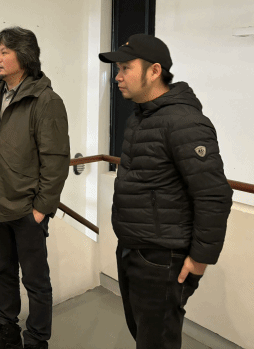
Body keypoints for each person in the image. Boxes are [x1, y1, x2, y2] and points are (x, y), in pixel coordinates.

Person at [98, 33, 232, 349]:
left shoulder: (185, 122)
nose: (117, 77)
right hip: (133, 247)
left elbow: (213, 194)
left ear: (154, 71)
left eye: (126, 68)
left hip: (161, 258)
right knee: (143, 333)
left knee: (156, 341)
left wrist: (200, 258)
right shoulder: (140, 117)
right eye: (117, 69)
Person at [0, 27, 70, 349]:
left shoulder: (46, 101)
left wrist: (41, 209)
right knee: (2, 271)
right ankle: (7, 331)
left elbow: (55, 161)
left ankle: (37, 340)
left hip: (27, 209)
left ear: (24, 56)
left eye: (5, 52)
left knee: (36, 281)